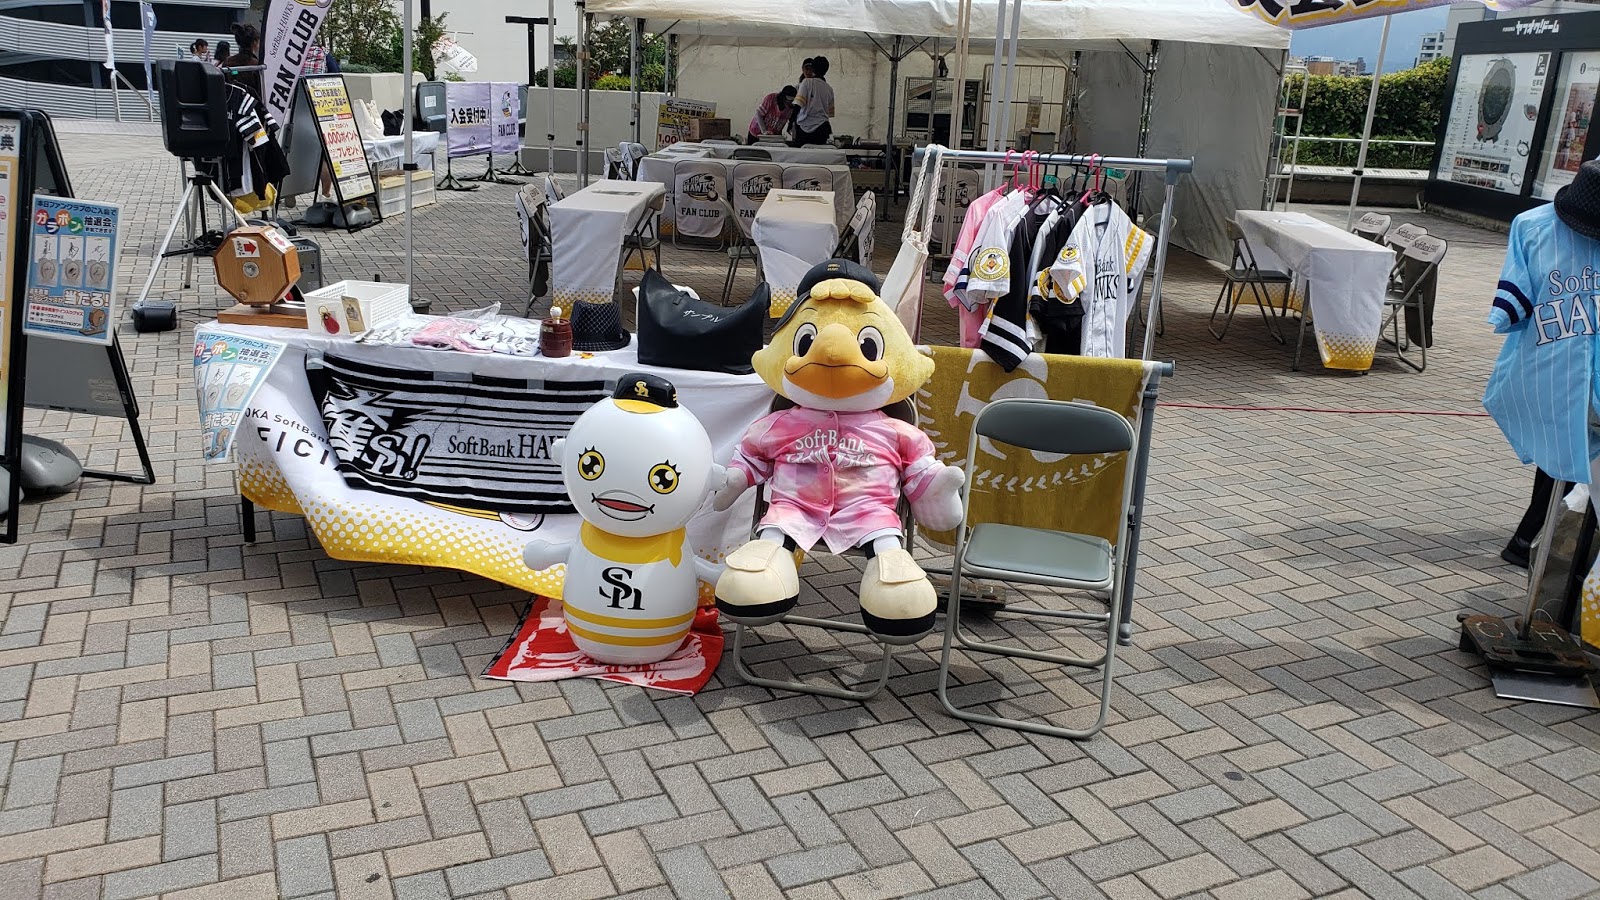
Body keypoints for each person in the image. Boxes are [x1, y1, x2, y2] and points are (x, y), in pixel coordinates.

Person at [789, 56, 835, 148]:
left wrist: (790, 122)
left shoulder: (806, 82)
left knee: (802, 153)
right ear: (826, 70)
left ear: (813, 69)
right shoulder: (829, 89)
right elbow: (830, 113)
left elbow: (798, 105)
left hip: (804, 128)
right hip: (822, 128)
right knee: (818, 154)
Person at [223, 23, 263, 98]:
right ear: (254, 42)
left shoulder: (228, 62)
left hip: (231, 102)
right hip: (252, 103)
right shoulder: (257, 65)